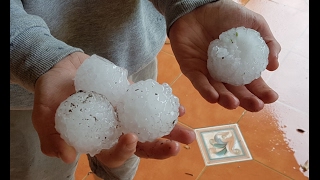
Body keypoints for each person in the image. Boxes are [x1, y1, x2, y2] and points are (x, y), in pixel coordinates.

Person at [10, 0, 281, 179]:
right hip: (28, 90)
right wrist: (36, 56)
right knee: (42, 169)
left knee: (126, 153)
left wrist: (191, 3)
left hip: (133, 55)